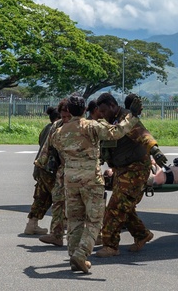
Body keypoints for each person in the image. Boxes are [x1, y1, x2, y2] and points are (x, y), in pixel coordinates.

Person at [50, 92, 139, 274]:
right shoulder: (91, 126)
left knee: (74, 220)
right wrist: (132, 117)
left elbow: (56, 147)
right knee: (95, 220)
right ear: (84, 109)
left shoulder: (59, 131)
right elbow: (116, 133)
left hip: (70, 179)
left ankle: (74, 255)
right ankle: (82, 254)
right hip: (90, 178)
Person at [93, 93, 168, 258]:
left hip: (135, 169)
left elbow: (143, 134)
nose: (102, 115)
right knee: (124, 206)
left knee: (114, 208)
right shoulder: (111, 120)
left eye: (105, 111)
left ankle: (111, 246)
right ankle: (142, 234)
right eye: (101, 112)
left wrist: (155, 151)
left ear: (113, 106)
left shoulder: (127, 117)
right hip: (121, 169)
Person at [38, 99, 71, 247]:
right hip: (62, 170)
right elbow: (47, 147)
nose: (65, 120)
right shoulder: (56, 126)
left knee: (83, 205)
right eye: (63, 116)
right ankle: (57, 235)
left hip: (82, 172)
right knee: (57, 200)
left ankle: (95, 235)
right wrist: (41, 163)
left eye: (67, 117)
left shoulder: (83, 126)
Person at [24, 105, 60, 235]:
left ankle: (31, 224)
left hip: (41, 168)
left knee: (41, 197)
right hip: (51, 169)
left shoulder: (46, 129)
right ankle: (61, 227)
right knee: (60, 197)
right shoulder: (57, 130)